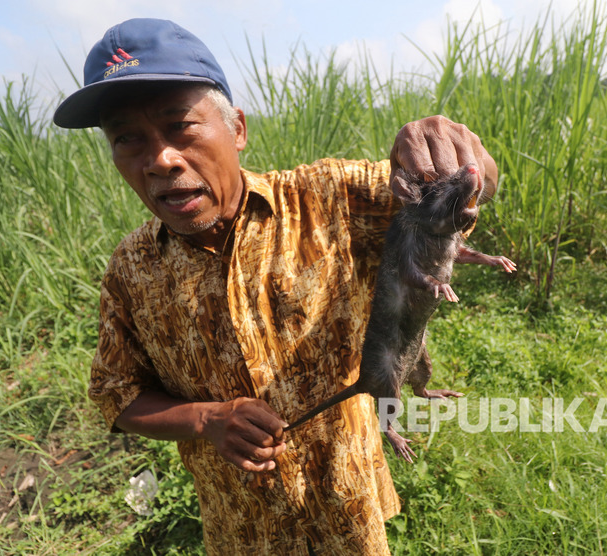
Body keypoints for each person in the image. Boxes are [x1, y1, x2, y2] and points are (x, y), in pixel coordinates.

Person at [54, 18, 502, 555]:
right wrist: (205, 419)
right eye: (127, 138)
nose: (160, 160)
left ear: (237, 129)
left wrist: (453, 151)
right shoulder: (130, 271)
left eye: (181, 127)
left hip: (348, 510)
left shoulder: (329, 199)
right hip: (241, 529)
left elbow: (460, 199)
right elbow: (116, 395)